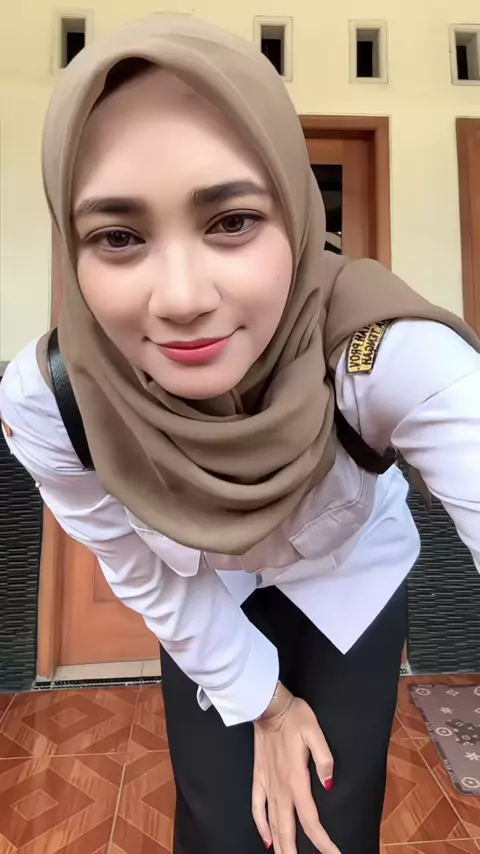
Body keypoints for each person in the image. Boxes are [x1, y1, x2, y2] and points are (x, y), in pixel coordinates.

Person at [1, 14, 480, 854]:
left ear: (293, 211)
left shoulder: (382, 351)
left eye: (231, 221)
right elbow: (137, 565)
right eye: (118, 237)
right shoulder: (55, 400)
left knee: (330, 823)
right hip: (203, 593)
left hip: (349, 581)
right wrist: (267, 704)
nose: (183, 298)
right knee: (222, 824)